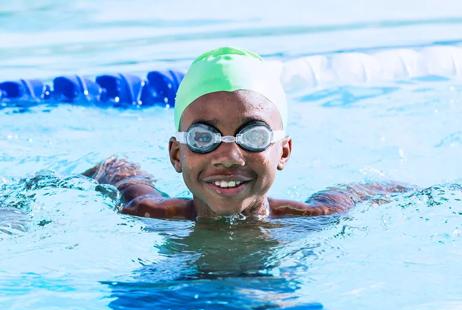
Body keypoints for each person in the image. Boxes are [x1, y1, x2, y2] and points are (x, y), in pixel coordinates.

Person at [83, 47, 409, 220]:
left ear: (283, 151)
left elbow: (364, 191)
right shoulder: (148, 212)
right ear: (176, 154)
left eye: (252, 136)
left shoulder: (312, 218)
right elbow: (112, 168)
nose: (228, 156)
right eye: (203, 137)